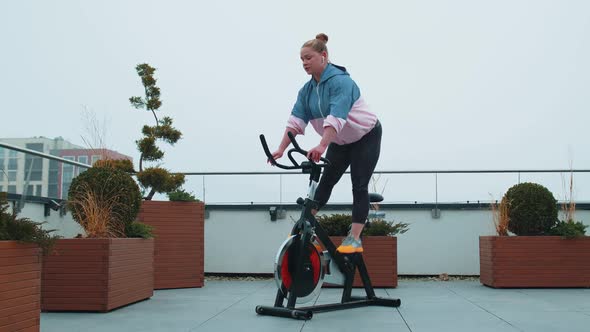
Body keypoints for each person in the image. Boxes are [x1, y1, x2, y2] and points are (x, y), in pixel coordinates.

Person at [270, 33, 382, 254]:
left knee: (359, 185)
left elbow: (337, 117)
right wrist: (281, 149)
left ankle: (355, 239)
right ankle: (304, 228)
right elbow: (295, 120)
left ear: (323, 56)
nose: (304, 63)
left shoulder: (342, 82)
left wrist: (321, 145)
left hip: (366, 136)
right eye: (301, 59)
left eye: (308, 58)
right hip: (339, 140)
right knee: (326, 181)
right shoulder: (307, 91)